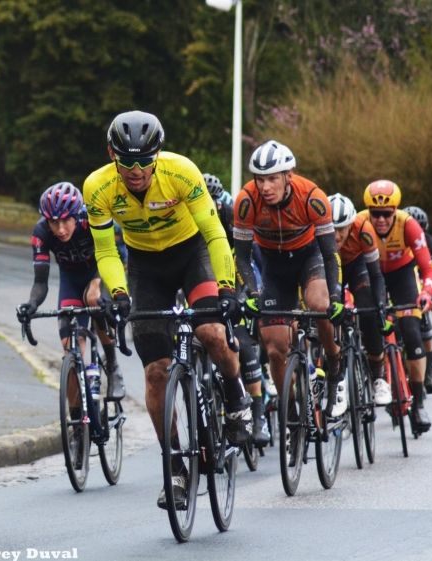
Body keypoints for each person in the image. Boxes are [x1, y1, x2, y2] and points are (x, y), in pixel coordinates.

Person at [83, 111, 251, 510]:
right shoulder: (98, 186)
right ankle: (175, 465)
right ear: (112, 155)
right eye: (127, 162)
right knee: (156, 372)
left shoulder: (181, 172)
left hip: (192, 255)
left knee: (210, 332)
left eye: (145, 161)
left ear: (157, 155)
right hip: (145, 268)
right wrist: (119, 293)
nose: (137, 170)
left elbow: (213, 233)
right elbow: (106, 250)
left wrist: (227, 288)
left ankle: (234, 393)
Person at [234, 140, 348, 433]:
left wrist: (336, 296)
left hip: (309, 259)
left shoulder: (312, 197)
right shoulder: (246, 201)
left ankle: (334, 365)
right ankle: (292, 407)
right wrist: (251, 292)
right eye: (260, 179)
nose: (265, 187)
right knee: (273, 347)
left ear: (289, 175)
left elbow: (330, 253)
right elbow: (242, 259)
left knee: (320, 307)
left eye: (272, 178)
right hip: (274, 267)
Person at [18, 182, 125, 401]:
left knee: (94, 298)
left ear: (77, 215)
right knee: (71, 351)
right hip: (70, 280)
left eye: (66, 220)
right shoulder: (41, 233)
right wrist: (32, 304)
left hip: (99, 271)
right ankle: (77, 425)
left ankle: (112, 366)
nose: (60, 229)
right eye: (54, 222)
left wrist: (103, 288)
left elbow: (117, 257)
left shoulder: (92, 220)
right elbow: (41, 281)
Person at [361, 182, 432, 432]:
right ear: (368, 211)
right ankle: (376, 376)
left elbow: (426, 268)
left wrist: (426, 293)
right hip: (370, 276)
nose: (380, 219)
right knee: (367, 322)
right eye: (375, 213)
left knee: (413, 334)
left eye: (387, 213)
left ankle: (419, 404)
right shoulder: (359, 223)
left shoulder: (408, 225)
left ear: (396, 211)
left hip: (402, 276)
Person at [205, 173, 269, 445]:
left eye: (213, 202)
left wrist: (252, 296)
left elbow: (254, 264)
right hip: (208, 284)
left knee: (241, 341)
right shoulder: (192, 222)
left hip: (238, 281)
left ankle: (257, 413)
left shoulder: (232, 219)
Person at [329, 193, 392, 406]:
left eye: (342, 229)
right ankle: (333, 375)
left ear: (351, 225)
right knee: (328, 311)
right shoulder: (316, 231)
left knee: (368, 310)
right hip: (330, 265)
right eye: (332, 228)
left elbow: (376, 276)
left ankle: (379, 377)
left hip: (357, 268)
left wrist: (381, 308)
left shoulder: (364, 229)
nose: (336, 235)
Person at [403, 205, 432, 393]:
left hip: (422, 284)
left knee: (424, 323)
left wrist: (429, 292)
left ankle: (429, 370)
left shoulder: (429, 243)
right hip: (404, 281)